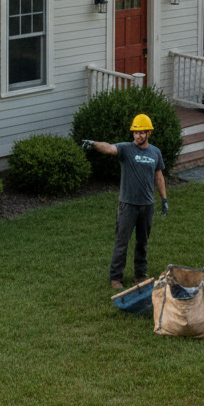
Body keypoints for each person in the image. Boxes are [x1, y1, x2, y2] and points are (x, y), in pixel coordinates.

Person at [84, 113, 167, 290]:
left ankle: (140, 274)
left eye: (142, 132)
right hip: (128, 205)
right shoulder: (126, 149)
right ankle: (115, 278)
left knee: (142, 242)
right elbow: (109, 148)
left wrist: (164, 199)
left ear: (149, 133)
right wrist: (94, 144)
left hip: (147, 206)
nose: (139, 136)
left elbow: (158, 176)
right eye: (136, 133)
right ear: (133, 134)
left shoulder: (155, 152)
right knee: (122, 242)